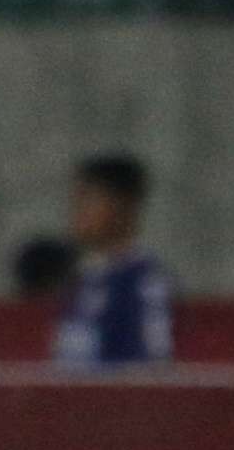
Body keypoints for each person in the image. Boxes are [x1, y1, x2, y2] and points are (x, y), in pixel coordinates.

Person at [52, 153, 173, 366]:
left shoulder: (142, 283)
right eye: (75, 201)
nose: (76, 212)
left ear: (123, 206)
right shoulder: (83, 279)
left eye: (87, 200)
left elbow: (151, 365)